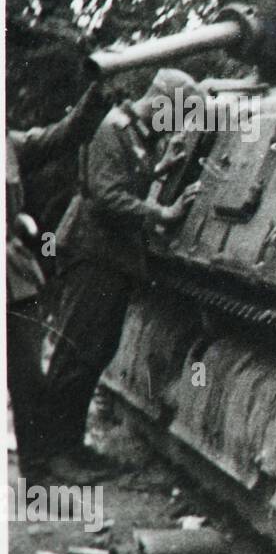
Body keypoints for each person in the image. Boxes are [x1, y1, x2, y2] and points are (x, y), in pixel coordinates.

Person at [43, 69, 203, 473]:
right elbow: (106, 194)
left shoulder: (132, 133)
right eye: (177, 115)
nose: (178, 125)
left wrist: (159, 169)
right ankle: (52, 454)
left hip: (108, 255)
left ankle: (70, 447)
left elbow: (123, 178)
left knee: (95, 352)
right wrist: (161, 212)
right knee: (75, 352)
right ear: (162, 104)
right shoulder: (111, 129)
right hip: (90, 251)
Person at [6, 82, 113, 482]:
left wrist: (96, 92)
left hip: (13, 277)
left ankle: (38, 467)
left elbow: (64, 133)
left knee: (28, 379)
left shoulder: (10, 145)